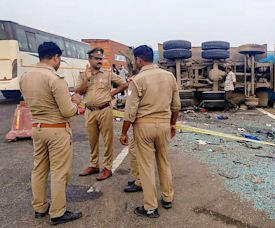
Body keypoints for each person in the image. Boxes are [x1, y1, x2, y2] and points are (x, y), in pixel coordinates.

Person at [20, 42, 82, 225]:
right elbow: (67, 111)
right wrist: (76, 102)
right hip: (56, 130)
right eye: (59, 59)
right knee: (59, 172)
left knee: (39, 169)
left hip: (37, 128)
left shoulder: (25, 77)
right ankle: (58, 212)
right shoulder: (55, 79)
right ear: (55, 57)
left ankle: (39, 207)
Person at [120, 45, 180, 218]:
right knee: (164, 161)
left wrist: (124, 132)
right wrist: (172, 124)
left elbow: (130, 111)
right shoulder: (169, 77)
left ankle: (150, 207)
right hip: (163, 125)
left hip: (144, 126)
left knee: (146, 167)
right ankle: (168, 198)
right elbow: (176, 105)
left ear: (139, 59)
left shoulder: (138, 80)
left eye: (135, 60)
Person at [75, 47, 128, 181]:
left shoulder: (108, 73)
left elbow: (124, 84)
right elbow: (78, 92)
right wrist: (87, 79)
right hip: (89, 111)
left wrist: (112, 93)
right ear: (89, 59)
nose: (99, 61)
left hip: (105, 110)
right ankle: (93, 165)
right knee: (92, 140)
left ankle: (107, 167)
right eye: (96, 59)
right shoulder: (83, 74)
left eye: (101, 59)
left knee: (107, 140)